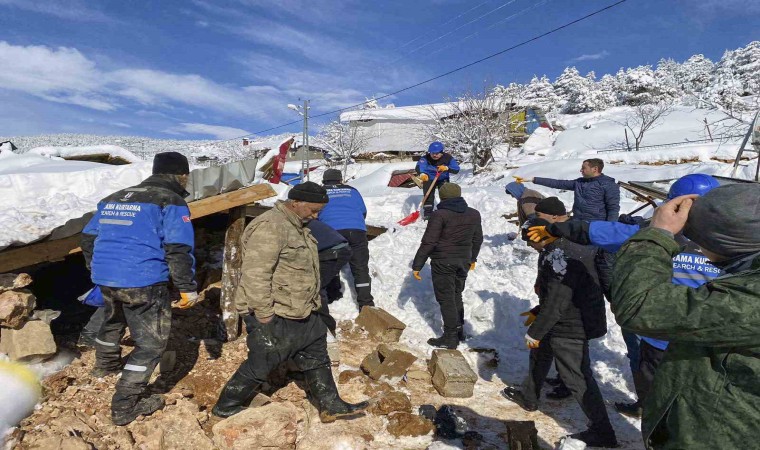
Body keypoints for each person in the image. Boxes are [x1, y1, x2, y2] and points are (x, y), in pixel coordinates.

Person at [527, 174, 722, 419]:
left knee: (658, 396)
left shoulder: (650, 235)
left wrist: (555, 228)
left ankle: (652, 416)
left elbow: (596, 231)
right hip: (711, 339)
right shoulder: (738, 243)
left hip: (657, 334)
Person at [609, 184, 760, 449]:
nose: (697, 248)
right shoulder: (746, 275)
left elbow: (640, 305)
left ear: (728, 244)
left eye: (700, 240)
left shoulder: (752, 300)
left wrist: (657, 234)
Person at [212, 182, 368, 422]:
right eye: (313, 210)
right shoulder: (270, 227)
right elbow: (256, 274)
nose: (316, 216)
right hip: (276, 310)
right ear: (296, 203)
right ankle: (226, 406)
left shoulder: (298, 225)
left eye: (319, 212)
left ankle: (331, 404)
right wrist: (263, 313)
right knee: (263, 361)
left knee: (317, 356)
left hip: (302, 308)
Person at [80, 152, 199, 426]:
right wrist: (186, 287)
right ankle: (125, 405)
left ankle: (105, 366)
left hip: (106, 277)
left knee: (113, 321)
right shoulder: (171, 200)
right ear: (181, 175)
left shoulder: (115, 198)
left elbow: (87, 236)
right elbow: (179, 248)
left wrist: (96, 267)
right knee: (151, 344)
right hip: (143, 279)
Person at [503, 217, 617, 448]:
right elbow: (556, 296)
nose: (528, 246)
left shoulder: (560, 257)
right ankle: (529, 396)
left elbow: (558, 300)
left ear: (539, 236)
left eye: (529, 241)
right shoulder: (558, 249)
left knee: (577, 377)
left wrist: (536, 331)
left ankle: (603, 431)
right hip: (560, 320)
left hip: (571, 326)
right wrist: (539, 312)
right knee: (540, 355)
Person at [412, 183, 483, 349]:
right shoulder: (473, 214)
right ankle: (459, 331)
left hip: (443, 262)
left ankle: (450, 337)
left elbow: (429, 241)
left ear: (442, 197)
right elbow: (477, 239)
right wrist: (472, 258)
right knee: (456, 295)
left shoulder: (440, 215)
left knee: (446, 298)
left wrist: (417, 265)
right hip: (463, 261)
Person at [318, 169, 374, 309]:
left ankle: (333, 294)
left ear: (324, 181)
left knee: (331, 262)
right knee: (360, 268)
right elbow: (363, 211)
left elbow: (315, 214)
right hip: (356, 230)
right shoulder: (353, 190)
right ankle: (366, 303)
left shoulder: (320, 192)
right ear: (340, 180)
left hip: (331, 232)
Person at [514, 158, 620, 221]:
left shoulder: (608, 184)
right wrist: (533, 179)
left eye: (584, 168)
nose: (581, 170)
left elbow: (613, 208)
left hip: (597, 224)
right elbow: (558, 183)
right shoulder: (579, 182)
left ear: (595, 169)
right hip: (578, 221)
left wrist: (610, 227)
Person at [306, 218, 352, 334]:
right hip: (331, 249)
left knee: (315, 287)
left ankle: (327, 328)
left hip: (333, 251)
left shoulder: (293, 224)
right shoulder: (294, 221)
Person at [415, 141, 460, 220]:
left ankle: (446, 211)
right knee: (428, 195)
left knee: (446, 194)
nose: (434, 155)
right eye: (432, 153)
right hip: (429, 178)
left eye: (437, 153)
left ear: (441, 152)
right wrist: (422, 174)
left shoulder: (448, 158)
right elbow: (419, 166)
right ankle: (428, 214)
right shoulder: (425, 158)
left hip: (443, 178)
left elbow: (456, 169)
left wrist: (447, 168)